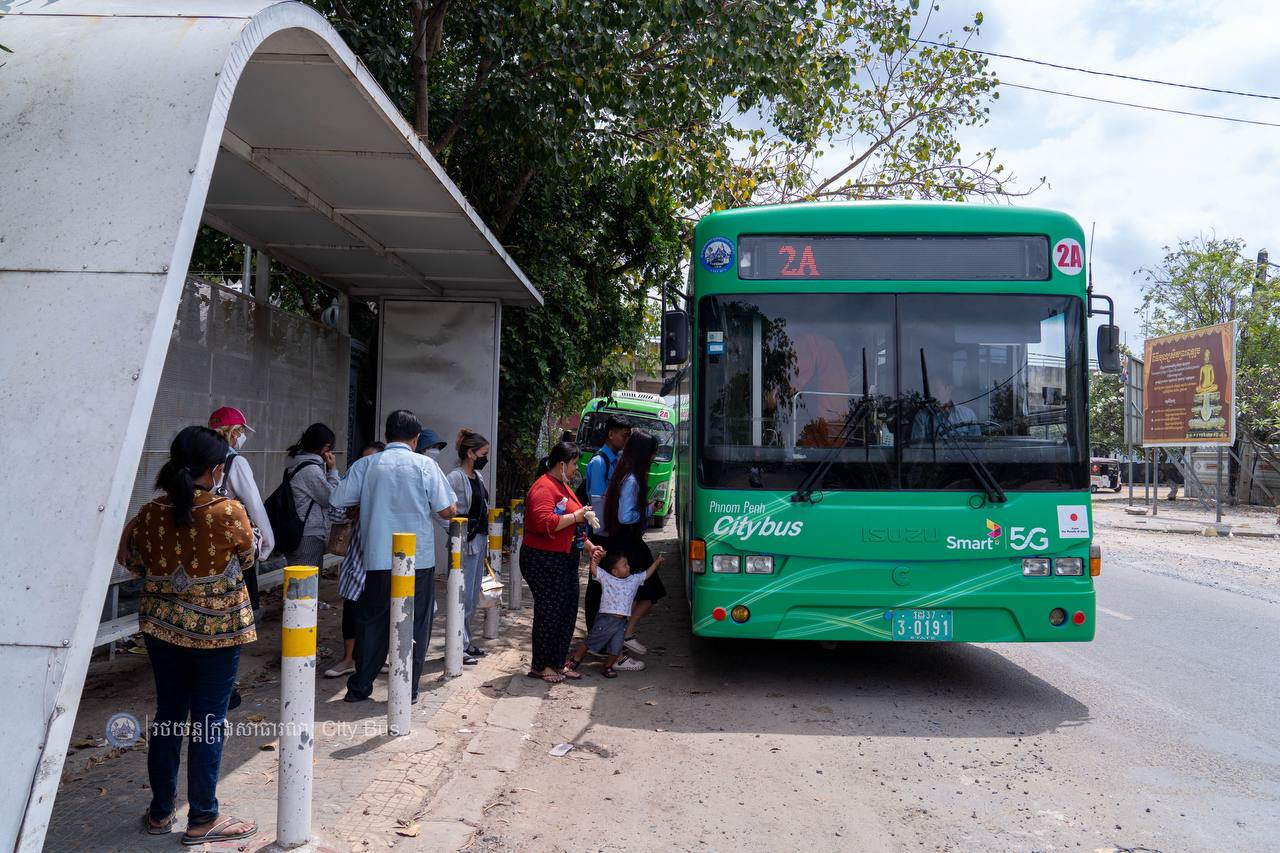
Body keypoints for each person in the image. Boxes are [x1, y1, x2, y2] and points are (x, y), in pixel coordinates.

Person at [117, 426, 258, 845]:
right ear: (217, 469)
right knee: (208, 721)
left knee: (168, 716)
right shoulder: (228, 511)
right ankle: (202, 819)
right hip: (216, 633)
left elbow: (135, 563)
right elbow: (248, 555)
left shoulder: (149, 514)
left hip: (162, 629)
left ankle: (160, 813)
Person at [331, 410, 457, 703]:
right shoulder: (425, 465)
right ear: (415, 439)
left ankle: (360, 687)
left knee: (372, 621)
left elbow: (337, 499)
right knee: (415, 623)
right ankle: (407, 690)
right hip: (418, 560)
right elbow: (445, 509)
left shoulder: (366, 465)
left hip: (377, 559)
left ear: (387, 436)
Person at [522, 441, 594, 683]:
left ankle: (557, 661)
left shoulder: (561, 484)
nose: (576, 469)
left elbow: (572, 524)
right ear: (562, 464)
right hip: (543, 559)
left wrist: (589, 544)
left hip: (564, 558)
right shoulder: (543, 487)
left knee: (567, 610)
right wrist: (576, 515)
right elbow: (543, 522)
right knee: (549, 612)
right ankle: (540, 666)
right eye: (574, 464)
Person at [602, 430, 665, 662]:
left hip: (628, 540)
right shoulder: (632, 479)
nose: (652, 459)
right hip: (629, 543)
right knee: (647, 592)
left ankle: (621, 643)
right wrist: (648, 510)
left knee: (637, 593)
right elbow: (626, 516)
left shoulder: (626, 474)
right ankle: (624, 638)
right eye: (652, 454)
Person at [324, 441, 384, 679]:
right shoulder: (355, 478)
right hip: (359, 555)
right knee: (353, 607)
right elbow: (335, 511)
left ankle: (378, 656)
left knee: (381, 610)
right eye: (363, 459)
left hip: (387, 555)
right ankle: (348, 658)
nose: (367, 464)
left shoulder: (390, 482)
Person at [208, 406, 273, 613]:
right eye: (242, 431)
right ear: (234, 432)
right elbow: (254, 504)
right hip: (229, 545)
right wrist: (268, 541)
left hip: (197, 545)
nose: (242, 436)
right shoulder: (235, 462)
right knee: (238, 607)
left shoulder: (198, 457)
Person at [436, 429, 492, 665]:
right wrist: (455, 531)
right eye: (483, 453)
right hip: (465, 543)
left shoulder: (476, 477)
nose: (484, 457)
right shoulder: (455, 477)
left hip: (478, 541)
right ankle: (457, 645)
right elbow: (440, 509)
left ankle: (464, 642)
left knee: (471, 595)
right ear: (471, 453)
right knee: (462, 595)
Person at [567, 550, 665, 678]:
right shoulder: (607, 578)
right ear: (614, 571)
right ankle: (576, 659)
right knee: (591, 641)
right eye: (624, 565)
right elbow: (594, 570)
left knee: (616, 647)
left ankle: (607, 666)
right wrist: (594, 560)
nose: (628, 566)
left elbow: (646, 574)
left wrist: (656, 563)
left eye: (627, 564)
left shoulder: (633, 580)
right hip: (606, 619)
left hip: (621, 623)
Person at [582, 415, 631, 631]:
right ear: (611, 434)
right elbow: (598, 503)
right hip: (601, 534)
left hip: (609, 532)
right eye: (623, 435)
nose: (625, 440)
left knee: (608, 585)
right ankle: (594, 632)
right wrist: (605, 535)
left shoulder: (616, 460)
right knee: (597, 584)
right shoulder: (599, 462)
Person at [283, 423, 340, 568]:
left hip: (297, 532)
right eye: (329, 448)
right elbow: (331, 498)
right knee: (305, 585)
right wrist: (333, 470)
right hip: (307, 534)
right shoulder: (310, 470)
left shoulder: (296, 463)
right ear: (325, 446)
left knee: (298, 583)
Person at [911, 378, 980, 442]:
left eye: (936, 389)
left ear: (949, 388)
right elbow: (917, 449)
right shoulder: (922, 417)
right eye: (930, 391)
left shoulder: (968, 415)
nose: (932, 394)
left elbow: (977, 446)